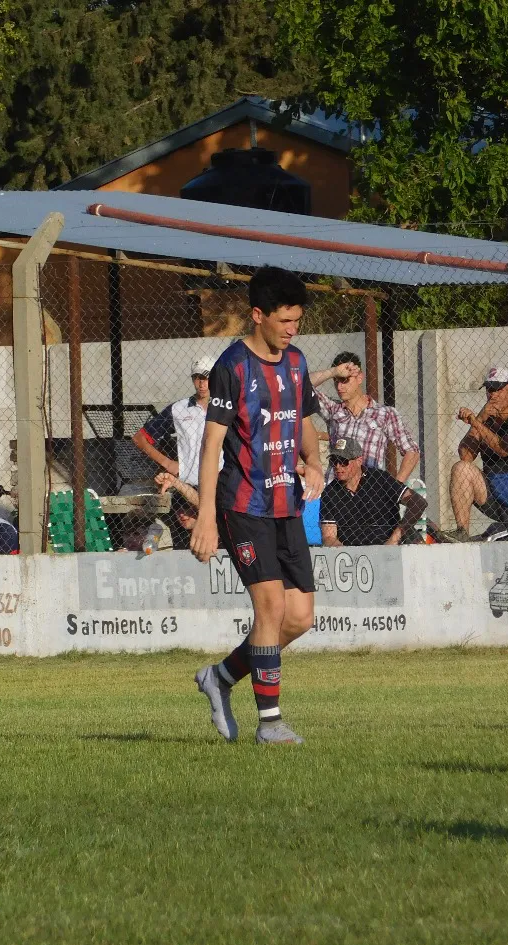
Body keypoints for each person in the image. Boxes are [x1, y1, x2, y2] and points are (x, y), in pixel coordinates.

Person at [190, 266, 326, 747]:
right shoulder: (232, 366)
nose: (292, 329)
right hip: (243, 505)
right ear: (258, 315)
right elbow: (212, 445)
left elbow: (304, 419)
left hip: (287, 505)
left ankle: (222, 677)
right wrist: (206, 515)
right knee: (269, 608)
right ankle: (270, 724)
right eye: (284, 320)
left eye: (298, 321)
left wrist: (314, 461)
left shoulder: (296, 361)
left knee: (299, 618)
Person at [441, 366, 508, 542]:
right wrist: (481, 418)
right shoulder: (486, 420)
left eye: (498, 389)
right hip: (497, 502)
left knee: (506, 544)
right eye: (489, 389)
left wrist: (476, 423)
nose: (492, 395)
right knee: (461, 469)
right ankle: (462, 532)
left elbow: (503, 449)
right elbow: (466, 456)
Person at [134, 355, 218, 549]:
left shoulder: (226, 407)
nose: (201, 383)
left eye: (206, 377)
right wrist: (168, 463)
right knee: (186, 545)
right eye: (197, 377)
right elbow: (140, 438)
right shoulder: (179, 409)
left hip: (220, 483)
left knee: (219, 541)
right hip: (187, 484)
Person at [309, 350, 419, 482]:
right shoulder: (333, 408)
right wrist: (333, 372)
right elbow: (299, 384)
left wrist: (395, 488)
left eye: (344, 380)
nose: (339, 386)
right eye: (336, 381)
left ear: (359, 378)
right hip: (336, 492)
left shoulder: (385, 414)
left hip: (369, 492)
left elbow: (412, 451)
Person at [319, 438, 426, 546]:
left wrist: (394, 539)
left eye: (343, 461)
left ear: (359, 461)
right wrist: (347, 554)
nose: (337, 466)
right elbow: (329, 537)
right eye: (334, 460)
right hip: (354, 554)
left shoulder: (379, 479)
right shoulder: (330, 493)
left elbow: (418, 502)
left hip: (389, 548)